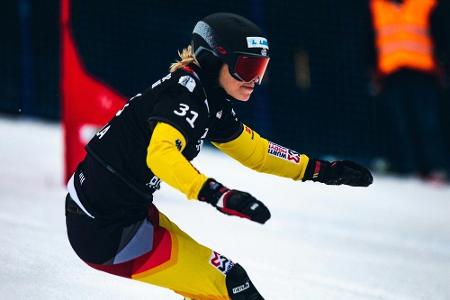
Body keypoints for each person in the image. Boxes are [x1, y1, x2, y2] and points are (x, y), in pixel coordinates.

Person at [65, 13, 373, 300]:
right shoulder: (185, 96)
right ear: (213, 62)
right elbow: (160, 155)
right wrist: (216, 194)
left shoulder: (209, 98)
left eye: (260, 70)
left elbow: (256, 151)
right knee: (231, 284)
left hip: (116, 214)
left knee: (215, 289)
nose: (254, 81)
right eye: (246, 69)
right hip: (105, 229)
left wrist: (320, 170)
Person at [369, 0, 449, 180]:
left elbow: (441, 35)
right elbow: (370, 39)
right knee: (401, 123)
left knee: (428, 123)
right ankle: (410, 169)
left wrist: (442, 65)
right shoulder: (377, 6)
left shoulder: (424, 4)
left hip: (423, 73)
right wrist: (373, 71)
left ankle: (436, 168)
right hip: (392, 74)